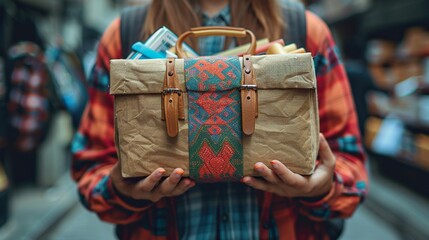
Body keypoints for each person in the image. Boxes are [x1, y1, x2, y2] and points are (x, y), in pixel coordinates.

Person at [71, 0, 368, 239]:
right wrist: (120, 190)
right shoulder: (122, 34)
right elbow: (91, 171)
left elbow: (351, 171)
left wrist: (322, 187)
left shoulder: (308, 30)